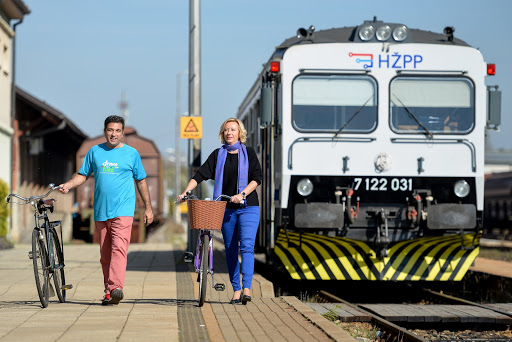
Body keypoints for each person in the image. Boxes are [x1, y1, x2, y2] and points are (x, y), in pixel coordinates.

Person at [59, 115, 153, 305]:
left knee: (119, 249)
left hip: (124, 210)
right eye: (110, 130)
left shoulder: (131, 154)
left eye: (118, 130)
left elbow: (141, 181)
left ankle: (116, 287)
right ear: (105, 131)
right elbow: (83, 175)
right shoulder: (95, 152)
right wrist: (69, 185)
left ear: (123, 132)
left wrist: (148, 208)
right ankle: (109, 293)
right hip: (101, 211)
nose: (114, 134)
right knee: (105, 255)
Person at [177, 118, 262, 304]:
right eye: (226, 130)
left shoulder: (248, 153)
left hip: (249, 207)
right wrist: (185, 191)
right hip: (226, 209)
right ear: (222, 134)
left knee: (247, 247)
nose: (229, 132)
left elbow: (257, 178)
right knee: (231, 249)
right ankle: (236, 289)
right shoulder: (218, 155)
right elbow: (200, 175)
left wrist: (242, 194)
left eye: (233, 129)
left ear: (240, 133)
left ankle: (247, 287)